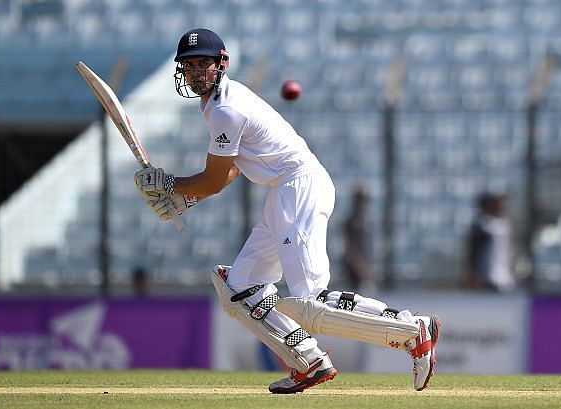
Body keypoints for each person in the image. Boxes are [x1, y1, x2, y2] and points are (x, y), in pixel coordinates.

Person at [134, 28, 440, 394]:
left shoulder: (226, 109)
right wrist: (186, 196)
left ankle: (411, 329)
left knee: (310, 302)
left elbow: (213, 180)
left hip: (298, 186)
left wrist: (169, 185)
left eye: (204, 64)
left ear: (222, 63)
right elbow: (230, 169)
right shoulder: (216, 104)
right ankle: (308, 361)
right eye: (189, 66)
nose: (196, 72)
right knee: (240, 289)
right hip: (285, 190)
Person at [467, 192, 515, 292]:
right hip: (488, 275)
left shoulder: (505, 224)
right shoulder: (482, 225)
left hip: (506, 275)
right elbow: (474, 251)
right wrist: (474, 273)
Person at [343, 184, 377, 291]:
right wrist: (357, 264)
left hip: (366, 263)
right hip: (355, 267)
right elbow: (349, 245)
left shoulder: (367, 220)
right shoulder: (352, 220)